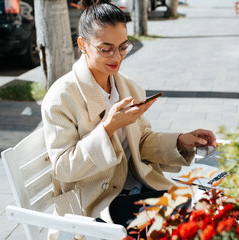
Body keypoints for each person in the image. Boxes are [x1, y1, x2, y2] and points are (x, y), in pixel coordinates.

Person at [41, 0, 217, 239]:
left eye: (123, 47)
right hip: (96, 202)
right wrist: (108, 128)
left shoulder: (127, 86)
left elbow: (140, 141)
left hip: (137, 187)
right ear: (82, 44)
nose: (117, 57)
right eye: (106, 48)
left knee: (206, 208)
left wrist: (181, 141)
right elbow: (63, 169)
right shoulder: (62, 97)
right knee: (194, 216)